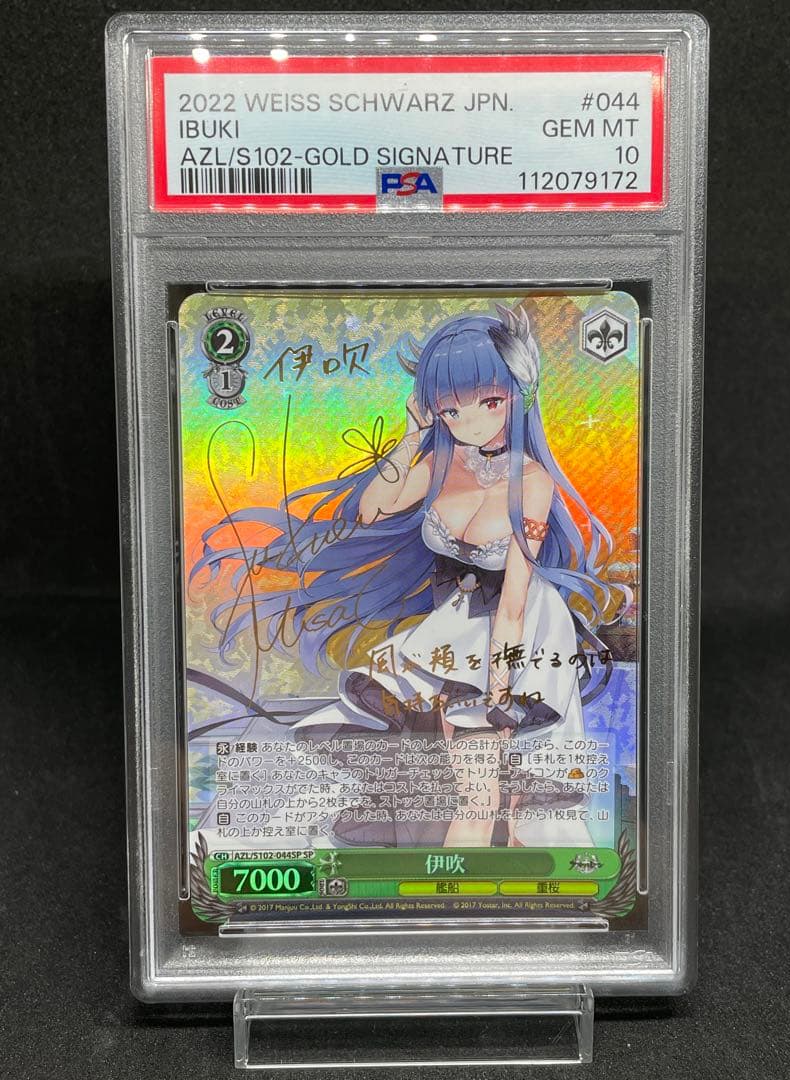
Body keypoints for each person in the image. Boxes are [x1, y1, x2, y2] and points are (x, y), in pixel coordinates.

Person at [194, 304, 622, 848]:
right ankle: (469, 881)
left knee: (491, 796)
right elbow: (373, 509)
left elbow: (514, 602)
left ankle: (489, 882)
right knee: (480, 793)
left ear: (519, 394)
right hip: (456, 630)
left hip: (520, 634)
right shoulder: (442, 464)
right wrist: (412, 434)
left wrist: (499, 692)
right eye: (450, 409)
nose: (470, 421)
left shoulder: (531, 482)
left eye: (489, 401)